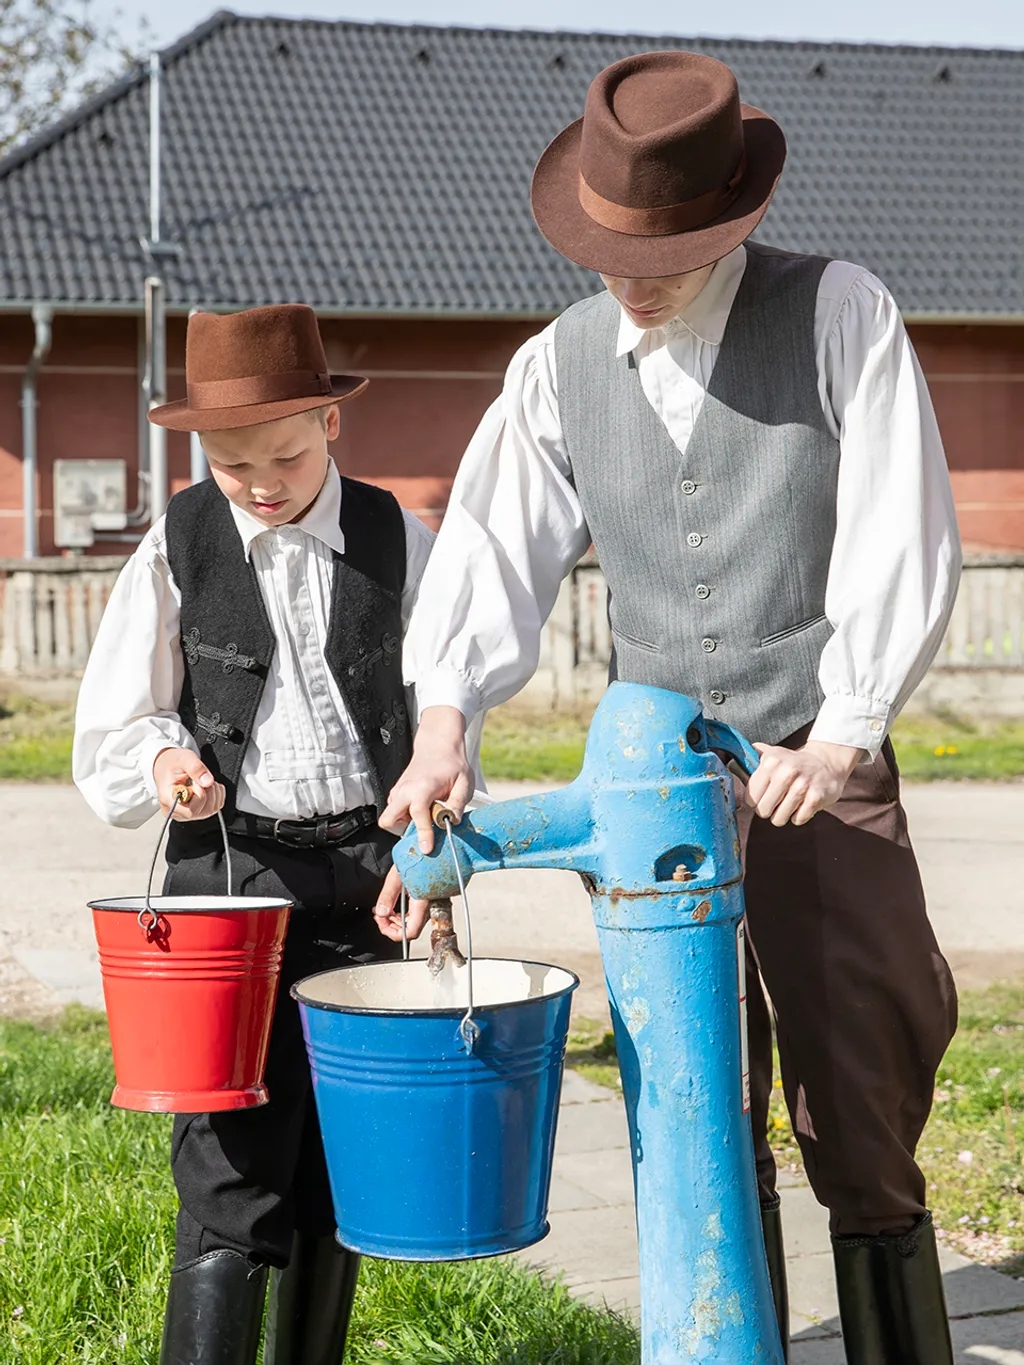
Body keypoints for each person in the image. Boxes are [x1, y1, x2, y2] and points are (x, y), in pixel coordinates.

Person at [375, 51, 961, 1365]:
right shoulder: (559, 363)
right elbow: (488, 547)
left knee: (859, 1103)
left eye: (667, 250)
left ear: (730, 221)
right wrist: (444, 724)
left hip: (814, 758)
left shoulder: (838, 311)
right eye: (614, 249)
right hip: (656, 796)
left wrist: (849, 725)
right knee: (695, 1099)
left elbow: (900, 522)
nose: (632, 277)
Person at [74, 303, 434, 1365]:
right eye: (233, 464)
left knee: (338, 1166)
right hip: (233, 879)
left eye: (282, 452)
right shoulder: (177, 542)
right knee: (233, 1163)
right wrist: (165, 762)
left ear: (331, 422)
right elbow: (117, 716)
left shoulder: (397, 537)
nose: (262, 482)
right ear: (198, 450)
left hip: (369, 877)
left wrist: (429, 849)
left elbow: (447, 708)